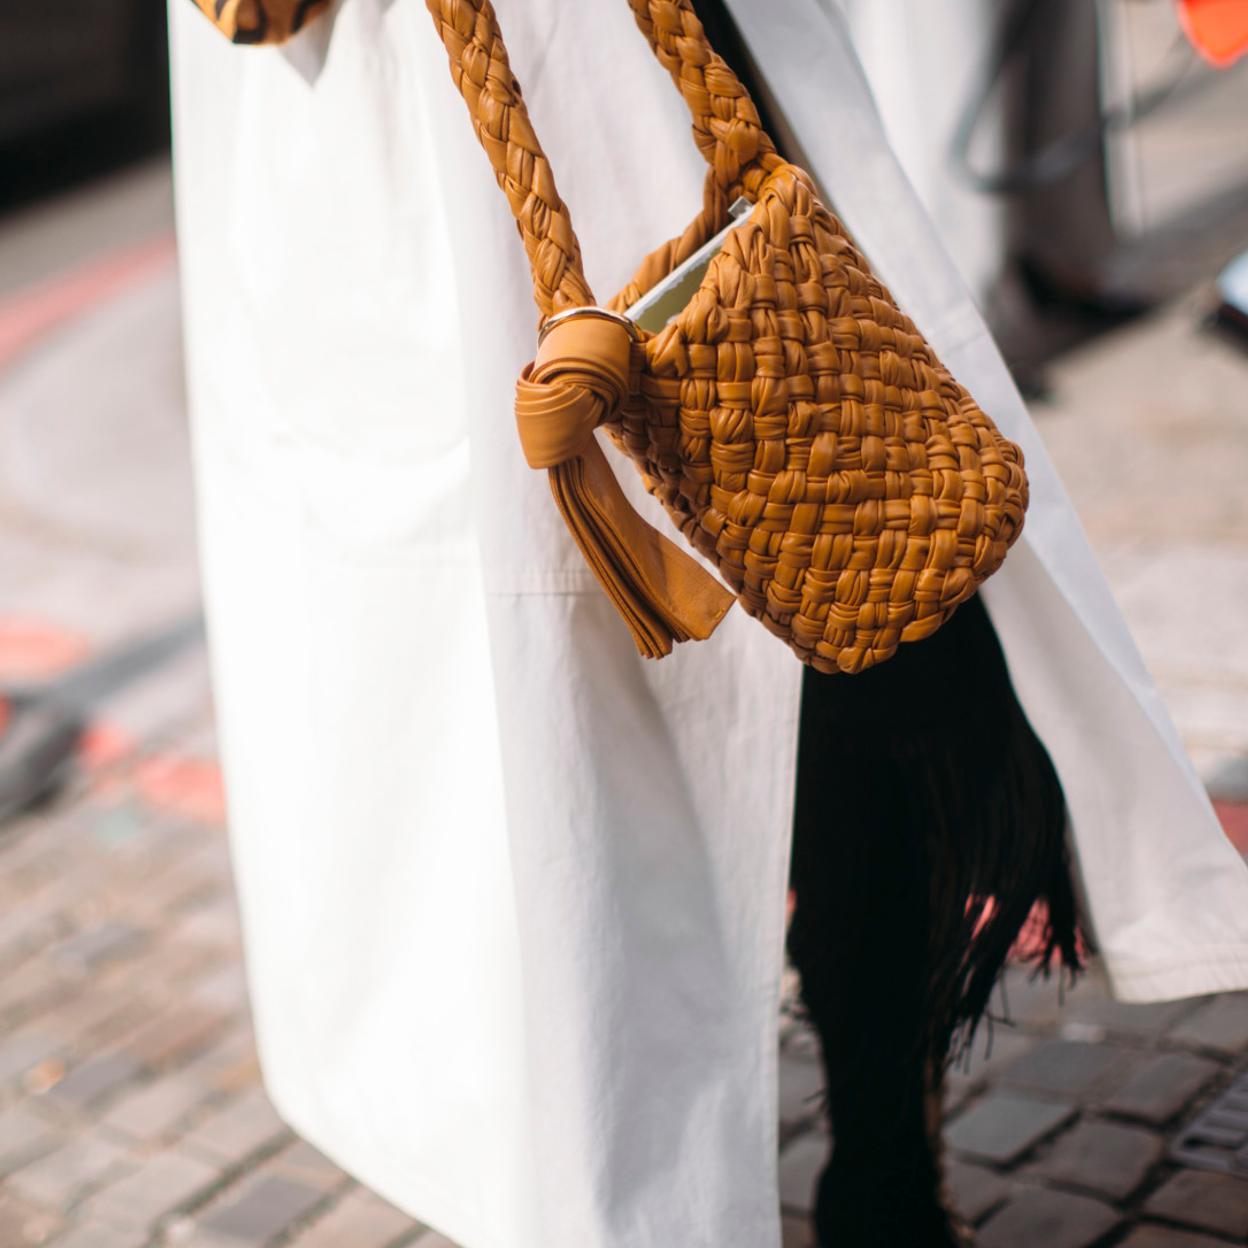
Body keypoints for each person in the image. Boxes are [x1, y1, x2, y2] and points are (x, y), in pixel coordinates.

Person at [170, 1, 1248, 1244]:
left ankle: (885, 1166)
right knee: (557, 753)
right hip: (420, 185)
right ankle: (723, 1166)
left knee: (858, 623)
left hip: (664, 81)